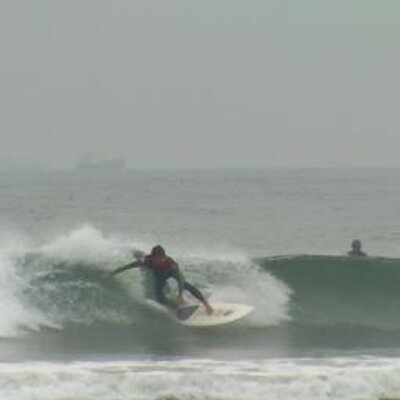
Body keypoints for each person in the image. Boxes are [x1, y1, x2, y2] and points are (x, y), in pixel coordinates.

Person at [109, 245, 213, 314]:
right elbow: (130, 266)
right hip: (159, 275)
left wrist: (180, 295)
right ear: (152, 257)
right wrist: (113, 273)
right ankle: (176, 307)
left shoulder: (170, 263)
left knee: (185, 285)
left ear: (164, 257)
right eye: (157, 259)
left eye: (161, 258)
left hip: (170, 272)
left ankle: (206, 303)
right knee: (159, 297)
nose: (159, 261)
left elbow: (180, 281)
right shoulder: (148, 261)